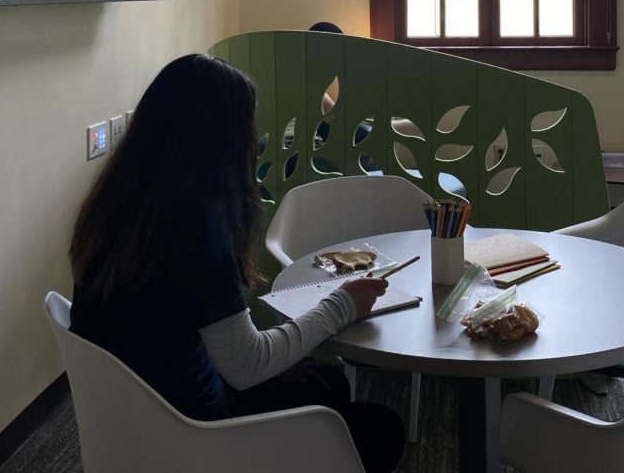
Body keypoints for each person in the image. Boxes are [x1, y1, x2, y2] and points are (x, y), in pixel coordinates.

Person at [68, 54, 405, 472]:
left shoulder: (119, 206)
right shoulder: (195, 228)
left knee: (327, 382)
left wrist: (273, 364)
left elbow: (172, 333)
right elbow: (246, 365)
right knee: (383, 429)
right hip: (196, 435)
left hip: (141, 415)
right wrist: (343, 304)